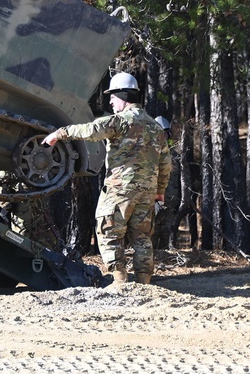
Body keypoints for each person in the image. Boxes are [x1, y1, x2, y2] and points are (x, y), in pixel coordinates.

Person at [43, 72, 172, 285]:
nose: (110, 101)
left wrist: (59, 133)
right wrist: (160, 191)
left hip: (120, 190)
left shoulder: (119, 122)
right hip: (147, 192)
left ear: (122, 96)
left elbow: (91, 130)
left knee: (108, 233)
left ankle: (120, 282)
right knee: (142, 239)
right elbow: (165, 163)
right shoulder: (156, 128)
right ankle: (144, 282)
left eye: (113, 96)